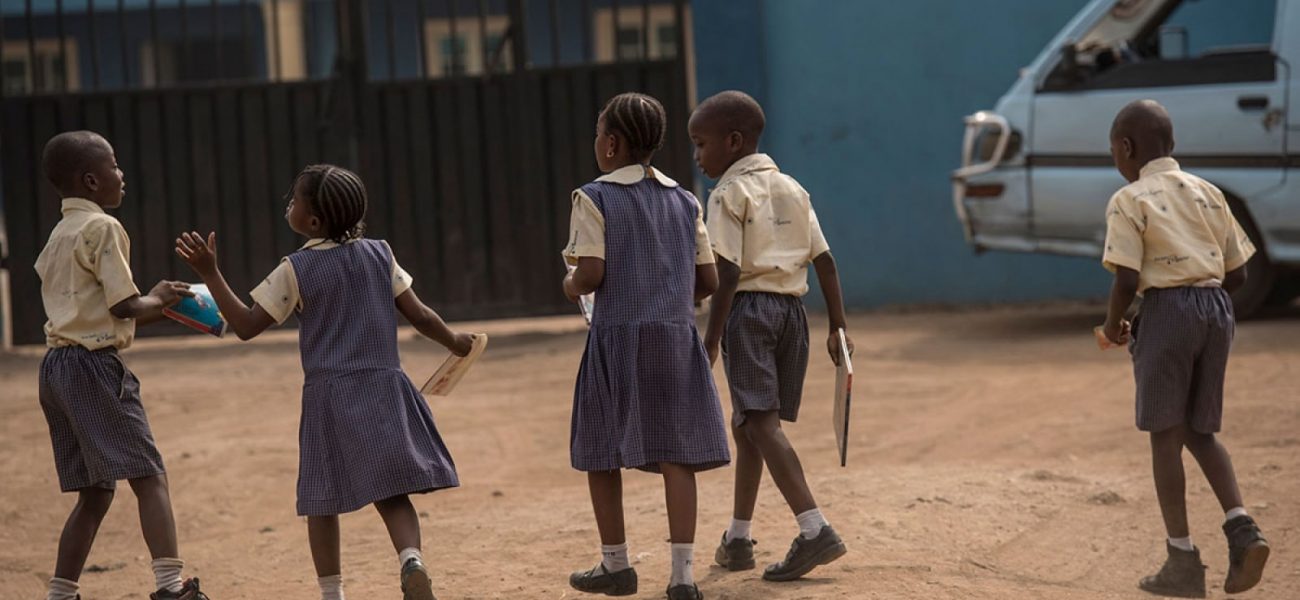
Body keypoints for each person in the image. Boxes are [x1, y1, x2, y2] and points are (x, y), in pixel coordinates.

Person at [175, 164, 473, 600]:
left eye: (294, 200)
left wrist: (210, 273)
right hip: (384, 387)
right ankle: (412, 559)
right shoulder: (381, 254)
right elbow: (422, 316)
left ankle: (332, 593)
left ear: (313, 222)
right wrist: (456, 342)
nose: (288, 204)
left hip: (329, 397)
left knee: (321, 499)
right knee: (392, 492)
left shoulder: (295, 269)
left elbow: (245, 325)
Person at [562, 92, 730, 600]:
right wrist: (670, 293)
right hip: (675, 339)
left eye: (598, 133)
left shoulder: (593, 198)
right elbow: (708, 279)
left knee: (599, 450)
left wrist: (570, 284)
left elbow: (591, 274)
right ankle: (682, 576)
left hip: (616, 339)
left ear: (611, 144)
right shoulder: (685, 200)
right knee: (676, 454)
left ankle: (616, 564)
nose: (596, 142)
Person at [1100, 99, 1269, 597]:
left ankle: (1182, 559)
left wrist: (1114, 324)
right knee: (1201, 430)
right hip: (1217, 310)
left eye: (1114, 152)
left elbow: (1126, 278)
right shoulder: (1209, 192)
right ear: (1171, 144)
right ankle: (1243, 530)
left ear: (1126, 147)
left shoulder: (1129, 199)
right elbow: (1238, 273)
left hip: (1168, 312)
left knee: (1164, 435)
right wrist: (1201, 300)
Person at [34, 130, 209, 600]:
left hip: (56, 369)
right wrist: (161, 296)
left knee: (95, 491)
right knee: (149, 475)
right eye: (113, 164)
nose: (121, 172)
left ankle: (60, 593)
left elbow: (101, 312)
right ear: (91, 181)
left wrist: (160, 305)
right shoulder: (103, 227)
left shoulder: (59, 235)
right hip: (94, 368)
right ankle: (171, 588)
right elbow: (125, 306)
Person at [689, 90, 853, 582]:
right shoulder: (792, 188)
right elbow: (825, 260)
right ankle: (738, 538)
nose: (697, 156)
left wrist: (711, 339)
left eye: (701, 144)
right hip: (792, 315)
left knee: (760, 423)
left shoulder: (727, 194)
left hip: (749, 314)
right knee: (750, 424)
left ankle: (814, 527)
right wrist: (838, 326)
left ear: (734, 142)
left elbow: (727, 270)